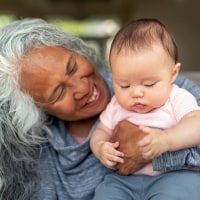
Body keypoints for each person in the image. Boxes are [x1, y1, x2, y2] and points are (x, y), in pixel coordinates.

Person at [0, 18, 200, 200]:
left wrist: (155, 149)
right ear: (36, 111)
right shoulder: (44, 156)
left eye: (73, 67)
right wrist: (103, 147)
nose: (82, 88)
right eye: (59, 92)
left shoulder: (157, 82)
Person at [90, 18, 200, 199]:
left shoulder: (176, 98)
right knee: (105, 193)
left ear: (173, 74)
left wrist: (167, 139)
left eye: (148, 84)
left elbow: (196, 124)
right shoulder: (116, 104)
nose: (136, 93)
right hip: (124, 181)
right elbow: (101, 130)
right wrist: (101, 147)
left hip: (175, 176)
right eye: (124, 85)